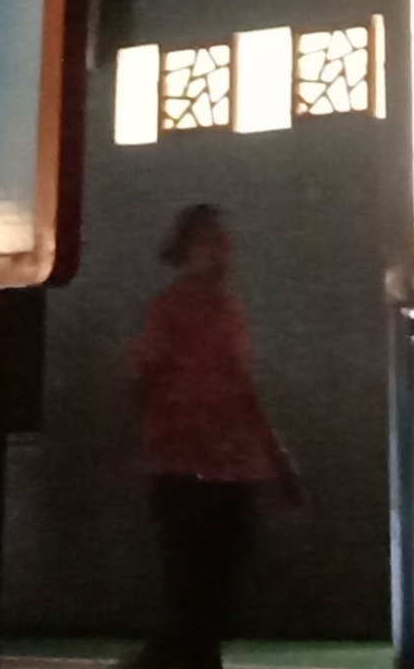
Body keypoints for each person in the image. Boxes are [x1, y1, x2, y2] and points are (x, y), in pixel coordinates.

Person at [130, 204, 299, 669]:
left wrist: (276, 458)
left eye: (223, 243)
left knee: (213, 590)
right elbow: (144, 376)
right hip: (185, 469)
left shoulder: (227, 309)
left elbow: (243, 389)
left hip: (226, 469)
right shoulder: (171, 309)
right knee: (195, 591)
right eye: (210, 243)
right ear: (187, 250)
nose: (222, 253)